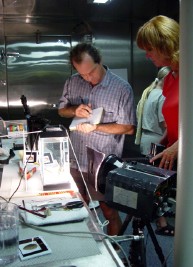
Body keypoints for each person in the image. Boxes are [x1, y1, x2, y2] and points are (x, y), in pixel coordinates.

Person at [58, 42, 136, 236]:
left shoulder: (121, 88)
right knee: (77, 205)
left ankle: (115, 250)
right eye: (81, 73)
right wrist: (74, 109)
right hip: (76, 158)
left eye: (90, 72)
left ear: (99, 61)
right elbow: (61, 110)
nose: (87, 78)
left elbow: (128, 128)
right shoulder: (73, 82)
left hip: (102, 163)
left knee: (108, 209)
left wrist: (96, 127)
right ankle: (83, 244)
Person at [136, 15, 179, 236]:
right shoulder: (170, 78)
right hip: (177, 154)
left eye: (150, 48)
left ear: (166, 44)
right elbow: (175, 121)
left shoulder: (192, 73)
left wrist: (178, 145)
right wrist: (163, 143)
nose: (147, 54)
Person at [135, 66, 170, 156]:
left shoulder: (150, 92)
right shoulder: (162, 96)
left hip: (146, 139)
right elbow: (165, 123)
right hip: (156, 141)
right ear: (166, 79)